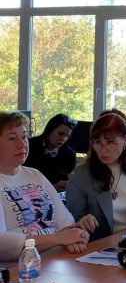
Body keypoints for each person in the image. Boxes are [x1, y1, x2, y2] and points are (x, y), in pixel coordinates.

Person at [0, 111, 89, 266]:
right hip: (19, 271)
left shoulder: (34, 175)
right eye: (12, 138)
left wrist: (74, 237)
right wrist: (59, 239)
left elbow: (64, 220)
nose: (22, 144)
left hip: (56, 262)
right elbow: (2, 243)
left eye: (24, 137)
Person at [66, 113, 126, 241]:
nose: (103, 150)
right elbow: (71, 219)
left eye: (110, 142)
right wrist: (82, 221)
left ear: (125, 140)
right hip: (101, 245)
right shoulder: (82, 174)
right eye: (98, 142)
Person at [24, 113, 78, 191]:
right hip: (29, 192)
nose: (63, 139)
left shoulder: (69, 154)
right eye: (60, 134)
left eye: (67, 136)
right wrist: (50, 187)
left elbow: (66, 179)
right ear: (50, 131)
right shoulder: (29, 146)